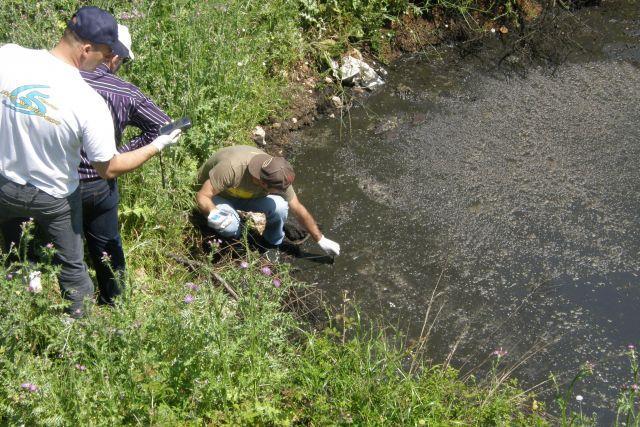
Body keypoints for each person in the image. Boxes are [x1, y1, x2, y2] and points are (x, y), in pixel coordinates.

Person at [0, 6, 181, 317]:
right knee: (74, 268)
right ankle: (82, 331)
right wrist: (156, 144)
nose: (109, 62)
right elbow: (108, 167)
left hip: (6, 185)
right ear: (86, 50)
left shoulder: (9, 55)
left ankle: (22, 310)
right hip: (56, 195)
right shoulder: (86, 99)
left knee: (19, 252)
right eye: (107, 53)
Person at [79, 24, 171, 305]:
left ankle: (70, 308)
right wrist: (119, 152)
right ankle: (114, 301)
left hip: (52, 180)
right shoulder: (124, 92)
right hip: (97, 183)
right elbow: (163, 126)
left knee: (61, 248)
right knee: (107, 245)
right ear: (115, 57)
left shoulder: (59, 78)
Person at [195, 145, 341, 256]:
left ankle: (272, 243)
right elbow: (202, 196)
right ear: (263, 183)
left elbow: (297, 207)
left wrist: (320, 239)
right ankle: (238, 241)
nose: (281, 192)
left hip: (244, 196)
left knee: (280, 206)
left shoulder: (277, 175)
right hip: (219, 196)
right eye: (276, 190)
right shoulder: (233, 168)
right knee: (230, 226)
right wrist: (213, 213)